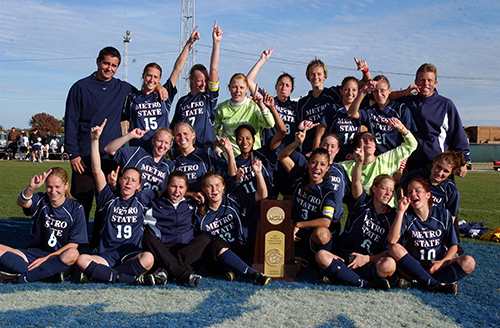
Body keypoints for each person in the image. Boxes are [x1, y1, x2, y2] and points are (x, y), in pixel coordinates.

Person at [64, 46, 167, 240]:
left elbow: (145, 93)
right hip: (84, 158)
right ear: (98, 62)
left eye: (114, 65)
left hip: (111, 157)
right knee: (80, 204)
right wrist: (73, 154)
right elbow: (70, 121)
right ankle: (72, 246)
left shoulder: (123, 88)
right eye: (106, 63)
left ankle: (98, 245)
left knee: (106, 205)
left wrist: (160, 86)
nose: (109, 68)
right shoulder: (80, 87)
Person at [76, 119, 159, 285]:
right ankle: (127, 279)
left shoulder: (142, 198)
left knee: (148, 258)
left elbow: (168, 190)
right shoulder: (108, 197)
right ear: (119, 180)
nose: (129, 183)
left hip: (130, 254)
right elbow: (96, 170)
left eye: (133, 180)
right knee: (81, 260)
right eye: (126, 178)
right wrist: (94, 140)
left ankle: (102, 275)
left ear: (139, 186)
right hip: (107, 254)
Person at [316, 145, 398, 290]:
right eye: (384, 188)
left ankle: (341, 277)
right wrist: (359, 162)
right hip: (345, 258)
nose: (388, 193)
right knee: (322, 256)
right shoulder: (362, 202)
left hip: (366, 262)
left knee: (389, 264)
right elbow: (356, 182)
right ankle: (363, 284)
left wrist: (367, 258)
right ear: (374, 188)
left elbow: (388, 250)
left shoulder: (392, 216)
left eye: (391, 190)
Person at [388, 177, 476, 294]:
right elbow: (392, 240)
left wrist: (442, 262)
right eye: (409, 192)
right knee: (394, 248)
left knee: (469, 262)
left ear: (428, 195)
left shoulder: (443, 214)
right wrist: (400, 211)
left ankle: (420, 282)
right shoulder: (406, 215)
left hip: (437, 264)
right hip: (414, 266)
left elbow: (453, 246)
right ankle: (435, 284)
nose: (413, 194)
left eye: (417, 190)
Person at [0, 167, 87, 283]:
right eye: (49, 187)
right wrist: (31, 189)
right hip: (33, 254)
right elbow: (22, 202)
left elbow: (74, 245)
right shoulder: (41, 200)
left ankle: (23, 277)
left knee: (73, 254)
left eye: (57, 187)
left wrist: (46, 259)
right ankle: (44, 274)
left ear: (66, 185)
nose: (53, 191)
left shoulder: (76, 209)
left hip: (58, 257)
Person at [278, 125, 343, 273]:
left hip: (313, 235)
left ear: (327, 168)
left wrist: (299, 224)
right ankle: (307, 259)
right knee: (291, 271)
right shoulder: (300, 175)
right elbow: (282, 156)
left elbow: (326, 221)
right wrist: (296, 144)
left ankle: (326, 261)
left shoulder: (328, 190)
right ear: (307, 163)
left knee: (322, 232)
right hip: (297, 235)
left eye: (322, 165)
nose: (317, 167)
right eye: (314, 162)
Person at [124, 27, 200, 151]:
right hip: (138, 149)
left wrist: (188, 44)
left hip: (161, 150)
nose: (151, 80)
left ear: (159, 79)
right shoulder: (133, 98)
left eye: (155, 77)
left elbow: (177, 68)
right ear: (143, 76)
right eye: (149, 75)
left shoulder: (164, 95)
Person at [195, 169, 271, 285]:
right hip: (215, 258)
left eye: (217, 185)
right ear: (203, 188)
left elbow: (262, 194)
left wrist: (258, 173)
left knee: (258, 242)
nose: (214, 190)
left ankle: (233, 270)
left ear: (223, 186)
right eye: (209, 186)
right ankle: (253, 274)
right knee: (216, 242)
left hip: (238, 250)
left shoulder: (234, 200)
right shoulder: (198, 212)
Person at [395, 63, 471, 176]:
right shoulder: (406, 102)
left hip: (438, 166)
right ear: (415, 82)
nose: (425, 84)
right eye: (422, 80)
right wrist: (404, 92)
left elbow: (457, 133)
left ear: (435, 83)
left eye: (429, 80)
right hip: (412, 165)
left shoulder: (445, 104)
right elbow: (384, 97)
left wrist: (464, 161)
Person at [142, 171, 212, 287]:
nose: (177, 191)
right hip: (163, 249)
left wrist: (190, 195)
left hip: (186, 249)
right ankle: (185, 275)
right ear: (167, 186)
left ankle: (167, 271)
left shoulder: (192, 204)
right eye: (173, 186)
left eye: (181, 187)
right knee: (147, 238)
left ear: (186, 189)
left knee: (205, 238)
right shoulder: (153, 205)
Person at [297, 58, 371, 155]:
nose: (316, 77)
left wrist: (365, 69)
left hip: (329, 149)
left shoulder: (333, 93)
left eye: (319, 74)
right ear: (308, 76)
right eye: (312, 74)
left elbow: (365, 83)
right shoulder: (302, 103)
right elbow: (298, 128)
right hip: (309, 148)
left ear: (325, 76)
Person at [340, 118, 418, 208]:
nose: (368, 142)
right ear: (357, 147)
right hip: (365, 212)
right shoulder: (348, 166)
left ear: (375, 147)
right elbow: (328, 166)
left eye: (371, 140)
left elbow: (412, 145)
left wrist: (401, 128)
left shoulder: (386, 159)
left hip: (390, 211)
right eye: (364, 140)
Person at [172, 21, 223, 149]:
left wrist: (216, 43)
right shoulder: (182, 102)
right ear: (192, 80)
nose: (204, 84)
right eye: (200, 80)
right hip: (185, 151)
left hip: (205, 150)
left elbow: (214, 69)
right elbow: (175, 128)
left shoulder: (208, 98)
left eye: (206, 80)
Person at [402, 151, 465, 253]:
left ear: (451, 173)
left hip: (434, 232)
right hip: (412, 226)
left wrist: (444, 239)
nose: (440, 173)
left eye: (446, 171)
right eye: (439, 167)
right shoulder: (415, 176)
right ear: (434, 162)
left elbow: (450, 219)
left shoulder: (451, 191)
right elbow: (401, 191)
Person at [348, 75, 417, 154]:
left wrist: (403, 162)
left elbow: (408, 139)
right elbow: (351, 113)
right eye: (376, 91)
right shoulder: (370, 111)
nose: (379, 94)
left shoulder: (401, 109)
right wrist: (364, 91)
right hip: (375, 158)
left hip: (394, 157)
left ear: (389, 90)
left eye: (382, 90)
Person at [247, 48, 299, 148]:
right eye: (281, 84)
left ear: (292, 90)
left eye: (287, 85)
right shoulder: (268, 101)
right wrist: (262, 59)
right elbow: (249, 81)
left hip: (289, 150)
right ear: (276, 86)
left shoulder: (296, 106)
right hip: (271, 149)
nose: (284, 88)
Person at [214, 74, 275, 157]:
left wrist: (261, 105)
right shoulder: (222, 108)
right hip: (229, 156)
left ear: (247, 89)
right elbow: (214, 131)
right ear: (229, 88)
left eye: (241, 88)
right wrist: (217, 147)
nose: (238, 91)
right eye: (234, 87)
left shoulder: (253, 106)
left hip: (252, 156)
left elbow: (270, 124)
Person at [173, 121, 236, 193]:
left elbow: (231, 174)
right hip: (184, 202)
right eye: (178, 135)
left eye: (185, 134)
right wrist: (191, 194)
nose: (182, 137)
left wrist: (229, 151)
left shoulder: (206, 154)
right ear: (174, 138)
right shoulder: (174, 160)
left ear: (193, 135)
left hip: (206, 202)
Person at [105, 127, 175, 191]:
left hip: (154, 204)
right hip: (133, 202)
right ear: (153, 141)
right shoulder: (138, 153)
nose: (162, 146)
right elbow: (109, 149)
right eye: (159, 141)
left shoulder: (169, 166)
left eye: (166, 143)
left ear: (169, 146)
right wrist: (130, 136)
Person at [313, 76, 365, 162]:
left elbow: (364, 134)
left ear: (358, 92)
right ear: (341, 91)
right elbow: (319, 135)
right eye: (346, 89)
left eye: (354, 90)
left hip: (352, 160)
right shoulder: (332, 109)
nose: (350, 93)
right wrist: (316, 157)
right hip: (333, 159)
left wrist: (357, 151)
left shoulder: (361, 112)